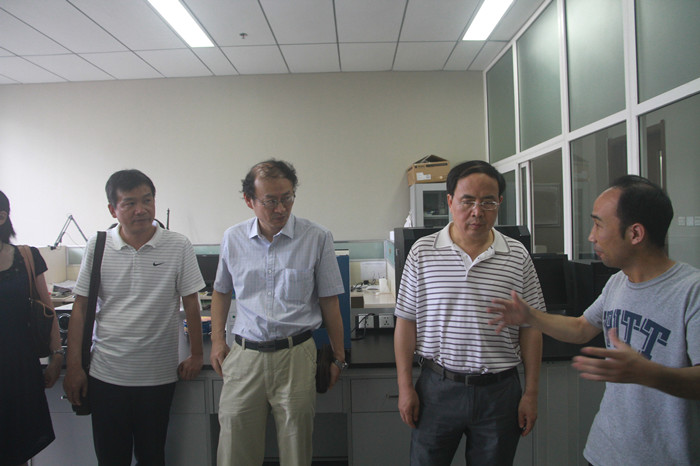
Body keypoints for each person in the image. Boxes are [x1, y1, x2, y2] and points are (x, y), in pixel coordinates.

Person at [488, 175, 700, 465]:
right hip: (604, 452)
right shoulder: (618, 282)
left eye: (599, 225)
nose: (591, 236)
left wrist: (648, 373)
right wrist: (530, 316)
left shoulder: (691, 291)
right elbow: (581, 328)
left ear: (635, 233)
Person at [394, 160, 544, 465]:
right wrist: (405, 386)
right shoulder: (422, 252)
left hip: (499, 393)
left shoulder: (517, 255)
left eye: (488, 202)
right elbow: (406, 323)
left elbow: (531, 328)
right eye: (467, 201)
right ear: (450, 201)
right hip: (437, 389)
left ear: (499, 202)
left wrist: (531, 393)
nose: (477, 211)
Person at [63, 170, 205, 465]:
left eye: (147, 200)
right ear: (112, 209)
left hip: (158, 376)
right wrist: (74, 366)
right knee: (111, 458)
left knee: (152, 456)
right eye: (129, 203)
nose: (141, 210)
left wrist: (196, 354)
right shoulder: (98, 246)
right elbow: (81, 307)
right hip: (106, 374)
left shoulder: (178, 245)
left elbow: (191, 303)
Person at [210, 159, 346, 466]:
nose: (281, 208)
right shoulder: (233, 238)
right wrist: (218, 341)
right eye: (270, 201)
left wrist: (339, 356)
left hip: (296, 356)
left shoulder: (317, 237)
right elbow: (221, 291)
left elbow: (329, 301)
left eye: (287, 198)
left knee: (296, 452)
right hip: (245, 357)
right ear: (249, 201)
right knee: (234, 450)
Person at [0, 190, 63, 466]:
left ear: (2, 217)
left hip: (19, 370)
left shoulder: (26, 257)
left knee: (18, 451)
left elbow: (46, 308)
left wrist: (56, 356)